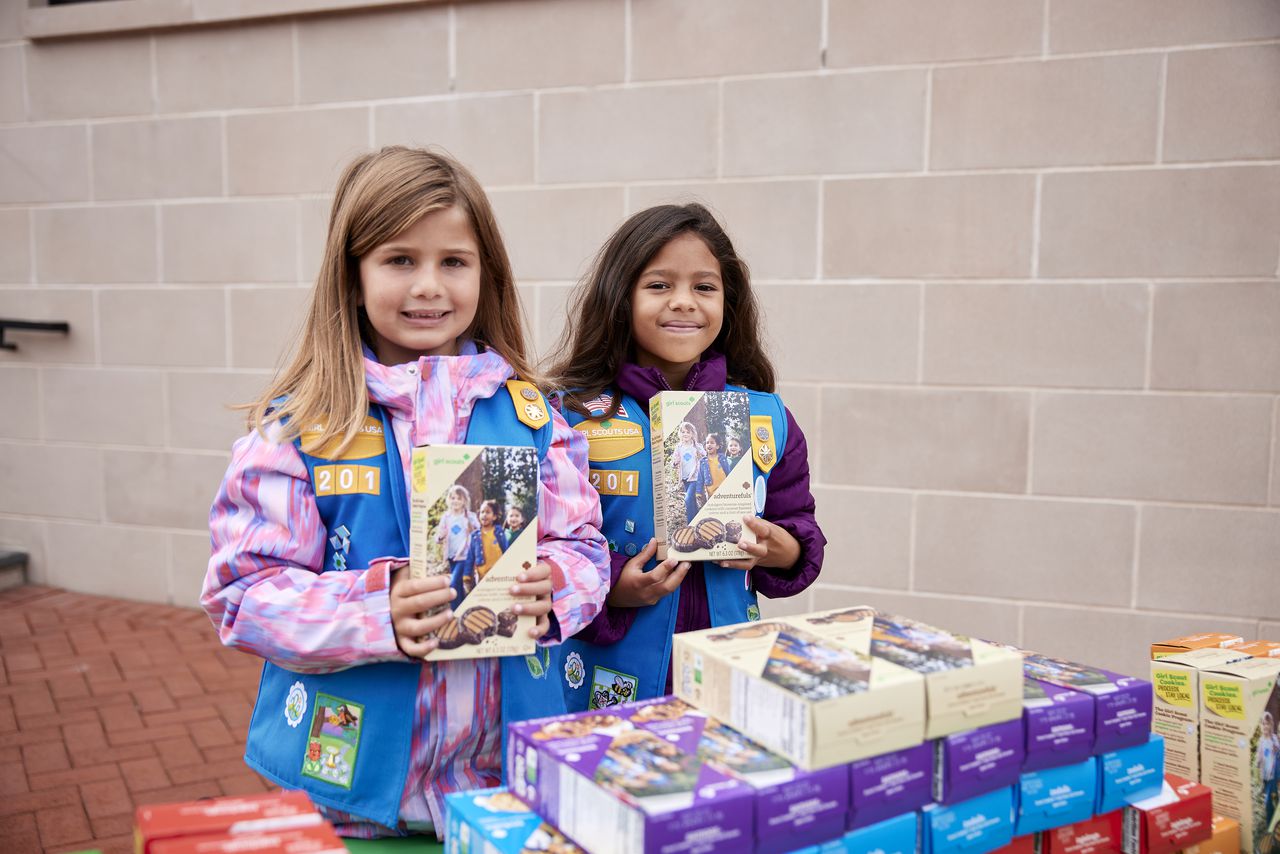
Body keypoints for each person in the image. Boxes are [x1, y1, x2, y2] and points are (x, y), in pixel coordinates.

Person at [204, 147, 608, 837]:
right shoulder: (301, 428)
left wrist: (557, 585)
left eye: (454, 261)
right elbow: (243, 594)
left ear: (487, 275)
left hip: (506, 788)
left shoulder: (536, 418)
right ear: (352, 277)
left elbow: (585, 549)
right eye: (400, 260)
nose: (429, 286)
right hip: (346, 795)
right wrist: (375, 610)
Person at [547, 203, 825, 711]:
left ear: (728, 301)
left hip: (728, 678)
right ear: (619, 297)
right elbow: (546, 544)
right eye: (658, 285)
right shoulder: (566, 417)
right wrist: (615, 586)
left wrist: (778, 549)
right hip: (606, 678)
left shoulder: (766, 418)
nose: (683, 302)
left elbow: (798, 527)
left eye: (704, 287)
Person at [434, 484, 479, 604]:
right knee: (457, 585)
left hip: (465, 555)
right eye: (453, 498)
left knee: (453, 583)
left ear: (464, 501)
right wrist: (440, 536)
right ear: (449, 500)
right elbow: (438, 537)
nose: (456, 501)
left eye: (459, 498)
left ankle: (455, 612)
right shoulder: (446, 517)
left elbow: (478, 533)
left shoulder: (470, 516)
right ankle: (461, 608)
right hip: (451, 555)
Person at [467, 499, 509, 587]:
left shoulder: (499, 532)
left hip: (499, 575)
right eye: (482, 512)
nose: (484, 515)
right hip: (481, 576)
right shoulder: (474, 536)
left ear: (494, 516)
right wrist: (466, 575)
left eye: (488, 512)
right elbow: (470, 557)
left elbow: (506, 550)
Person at [670, 421, 705, 522]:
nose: (685, 434)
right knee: (692, 502)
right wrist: (675, 463)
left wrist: (701, 457)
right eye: (683, 432)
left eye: (688, 432)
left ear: (692, 434)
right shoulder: (679, 447)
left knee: (688, 499)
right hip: (685, 478)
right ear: (680, 434)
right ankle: (698, 521)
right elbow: (673, 462)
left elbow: (705, 457)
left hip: (695, 477)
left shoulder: (696, 446)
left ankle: (690, 524)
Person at [695, 431, 730, 508]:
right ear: (705, 446)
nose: (709, 444)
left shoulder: (722, 458)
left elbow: (728, 473)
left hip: (724, 492)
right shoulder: (702, 462)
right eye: (707, 443)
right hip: (711, 494)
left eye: (712, 442)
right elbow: (700, 478)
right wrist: (698, 492)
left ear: (717, 446)